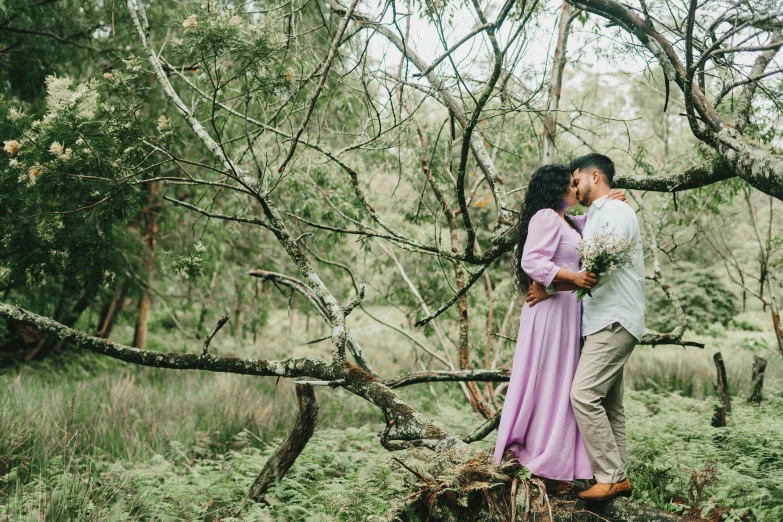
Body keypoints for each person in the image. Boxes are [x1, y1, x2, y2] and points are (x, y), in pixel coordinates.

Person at [492, 163, 626, 485]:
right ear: (556, 190)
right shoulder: (545, 217)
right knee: (547, 378)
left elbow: (593, 222)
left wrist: (610, 200)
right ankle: (536, 451)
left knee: (564, 382)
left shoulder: (571, 222)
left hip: (567, 311)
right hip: (549, 312)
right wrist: (573, 277)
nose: (575, 189)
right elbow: (531, 260)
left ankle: (560, 458)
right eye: (570, 184)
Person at [526, 153, 645, 501]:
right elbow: (569, 232)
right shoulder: (597, 214)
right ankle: (618, 478)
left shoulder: (616, 212)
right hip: (602, 321)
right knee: (610, 405)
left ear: (595, 176)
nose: (574, 189)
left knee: (583, 395)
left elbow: (597, 271)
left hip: (614, 318)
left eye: (577, 181)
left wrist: (551, 288)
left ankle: (610, 476)